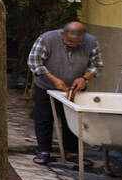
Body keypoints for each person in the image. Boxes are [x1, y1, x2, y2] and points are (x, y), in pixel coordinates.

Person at [28, 21, 103, 166]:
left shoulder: (91, 42)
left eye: (78, 42)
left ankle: (72, 152)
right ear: (63, 34)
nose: (74, 45)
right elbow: (34, 63)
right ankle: (44, 151)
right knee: (44, 118)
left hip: (75, 88)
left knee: (73, 120)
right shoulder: (47, 39)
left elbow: (97, 65)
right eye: (70, 41)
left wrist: (84, 78)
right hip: (46, 86)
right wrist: (55, 80)